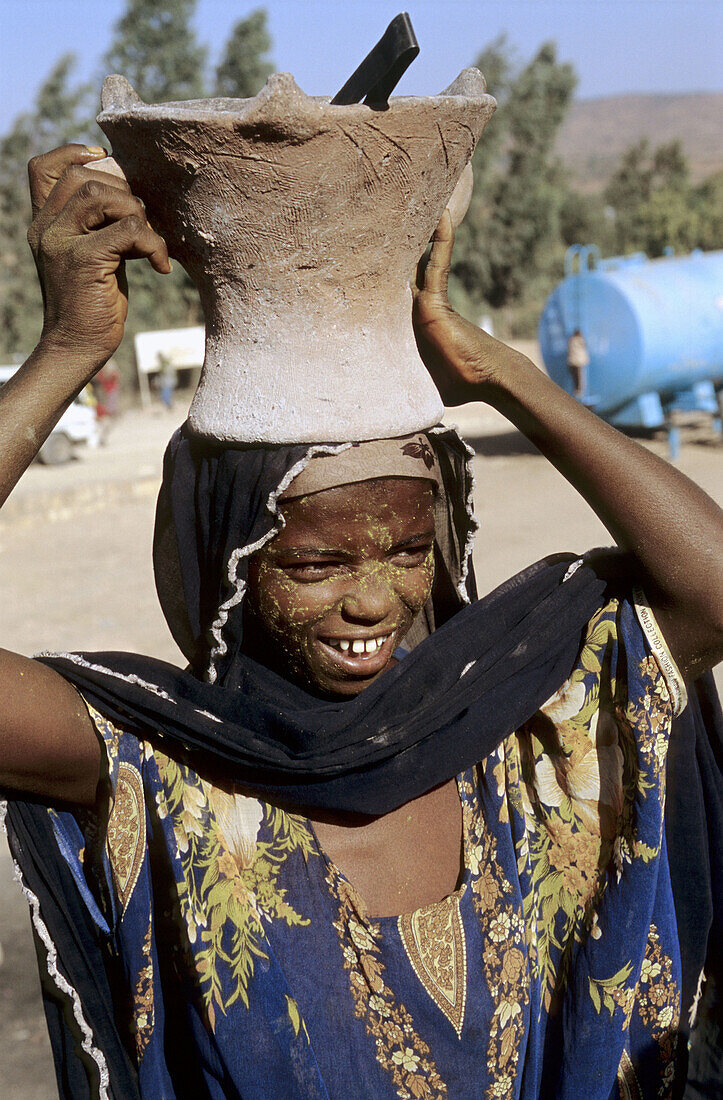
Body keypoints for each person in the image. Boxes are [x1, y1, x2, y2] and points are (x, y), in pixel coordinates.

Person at [1, 144, 722, 1100]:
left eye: (409, 551)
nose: (375, 600)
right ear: (226, 568)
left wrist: (500, 373)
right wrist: (66, 353)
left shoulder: (519, 717)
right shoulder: (157, 766)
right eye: (314, 562)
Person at [567, 327, 590, 399]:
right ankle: (580, 393)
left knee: (575, 378)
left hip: (572, 362)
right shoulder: (580, 340)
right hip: (579, 362)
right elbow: (584, 347)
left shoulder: (571, 340)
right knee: (580, 378)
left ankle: (576, 392)